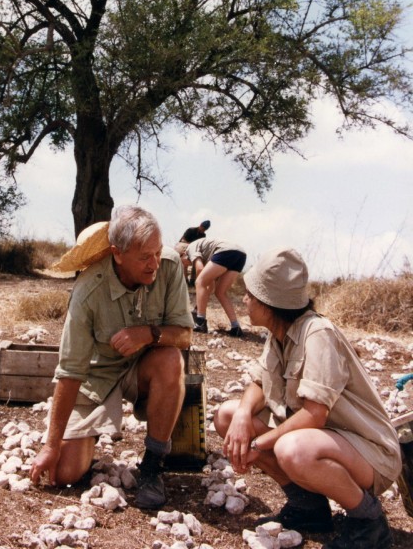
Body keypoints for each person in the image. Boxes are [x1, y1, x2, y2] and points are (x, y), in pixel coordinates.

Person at [214, 247, 401, 549]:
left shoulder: (317, 334)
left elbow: (315, 414)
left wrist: (258, 444)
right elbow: (259, 381)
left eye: (251, 294)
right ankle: (308, 507)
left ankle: (369, 522)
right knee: (228, 414)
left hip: (371, 452)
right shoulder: (279, 333)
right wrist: (241, 416)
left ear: (270, 303)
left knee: (292, 449)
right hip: (328, 441)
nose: (245, 300)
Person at [30, 205, 194, 509]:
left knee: (171, 359)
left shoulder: (169, 266)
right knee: (64, 473)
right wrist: (51, 445)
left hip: (146, 368)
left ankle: (153, 465)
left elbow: (185, 336)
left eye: (157, 252)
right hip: (97, 377)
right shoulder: (88, 291)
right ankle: (87, 436)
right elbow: (70, 370)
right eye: (144, 257)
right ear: (117, 253)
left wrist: (148, 334)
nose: (154, 264)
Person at [176, 236, 246, 336]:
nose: (185, 265)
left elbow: (200, 270)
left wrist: (199, 307)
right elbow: (210, 284)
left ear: (183, 254)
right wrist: (199, 304)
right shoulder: (205, 254)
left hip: (226, 251)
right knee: (220, 292)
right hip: (240, 254)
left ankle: (200, 322)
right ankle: (236, 327)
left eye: (181, 262)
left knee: (199, 281)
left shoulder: (190, 249)